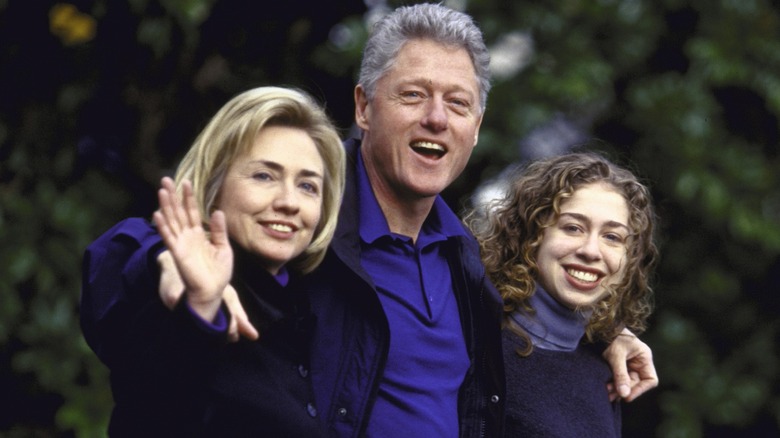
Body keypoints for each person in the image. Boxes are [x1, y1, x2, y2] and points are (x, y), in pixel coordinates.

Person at [81, 4, 658, 437]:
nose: (436, 118)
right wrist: (161, 269)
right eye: (413, 95)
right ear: (363, 106)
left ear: (476, 127)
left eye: (457, 104)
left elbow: (531, 331)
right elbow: (148, 256)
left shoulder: (462, 261)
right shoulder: (306, 219)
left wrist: (602, 335)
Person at [80, 86, 346, 437]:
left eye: (308, 186)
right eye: (264, 176)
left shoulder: (315, 304)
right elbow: (152, 405)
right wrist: (198, 305)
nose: (289, 202)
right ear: (215, 185)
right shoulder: (182, 290)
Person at [467, 151, 659, 436]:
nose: (591, 251)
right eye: (573, 228)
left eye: (612, 237)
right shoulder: (474, 343)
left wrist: (613, 333)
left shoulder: (603, 368)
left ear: (628, 259)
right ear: (532, 235)